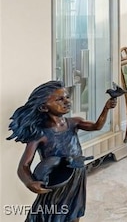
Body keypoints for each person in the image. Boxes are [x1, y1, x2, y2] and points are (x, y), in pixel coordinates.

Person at [7, 81, 117, 222]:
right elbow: (23, 166)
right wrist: (30, 183)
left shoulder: (74, 122)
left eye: (67, 97)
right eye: (60, 99)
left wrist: (106, 108)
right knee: (52, 216)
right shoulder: (40, 134)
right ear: (43, 107)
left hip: (77, 176)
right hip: (57, 181)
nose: (67, 102)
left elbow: (96, 126)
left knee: (74, 212)